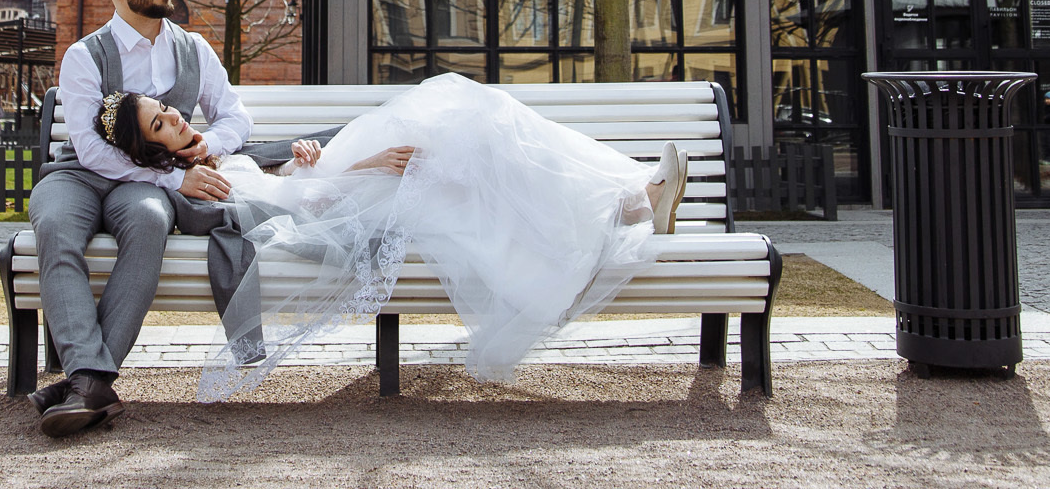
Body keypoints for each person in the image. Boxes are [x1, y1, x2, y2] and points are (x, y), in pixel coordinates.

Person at [91, 71, 690, 400]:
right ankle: (629, 202)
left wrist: (299, 158)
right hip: (354, 196)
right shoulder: (190, 186)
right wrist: (355, 168)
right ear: (152, 149)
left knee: (473, 124)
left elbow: (288, 179)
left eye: (168, 111)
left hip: (346, 174)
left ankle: (629, 202)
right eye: (161, 124)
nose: (177, 119)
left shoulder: (220, 157)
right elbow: (298, 211)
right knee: (465, 129)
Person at [23, 0, 252, 438]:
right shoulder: (85, 55)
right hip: (78, 177)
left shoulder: (194, 50)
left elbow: (236, 116)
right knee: (57, 225)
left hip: (145, 187)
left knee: (149, 221)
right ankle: (93, 378)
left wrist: (203, 144)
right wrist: (173, 176)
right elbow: (88, 146)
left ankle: (82, 382)